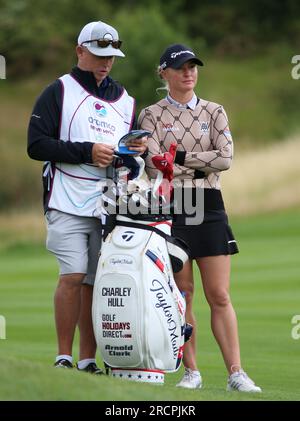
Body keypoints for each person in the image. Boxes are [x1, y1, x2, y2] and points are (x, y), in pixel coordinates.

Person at [138, 44, 261, 392]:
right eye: (180, 68)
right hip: (171, 205)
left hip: (209, 205)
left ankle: (236, 372)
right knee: (183, 293)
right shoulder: (150, 115)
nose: (189, 73)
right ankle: (191, 372)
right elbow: (153, 164)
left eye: (193, 67)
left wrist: (182, 158)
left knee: (219, 294)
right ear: (164, 73)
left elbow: (225, 159)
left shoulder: (215, 110)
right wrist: (187, 163)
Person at [27, 21, 147, 373]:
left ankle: (88, 359)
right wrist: (87, 151)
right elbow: (36, 145)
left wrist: (134, 150)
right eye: (98, 54)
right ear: (80, 51)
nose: (105, 62)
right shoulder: (58, 91)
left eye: (110, 56)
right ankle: (64, 356)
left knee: (95, 279)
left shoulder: (125, 100)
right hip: (65, 196)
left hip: (107, 201)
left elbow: (129, 156)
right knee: (72, 274)